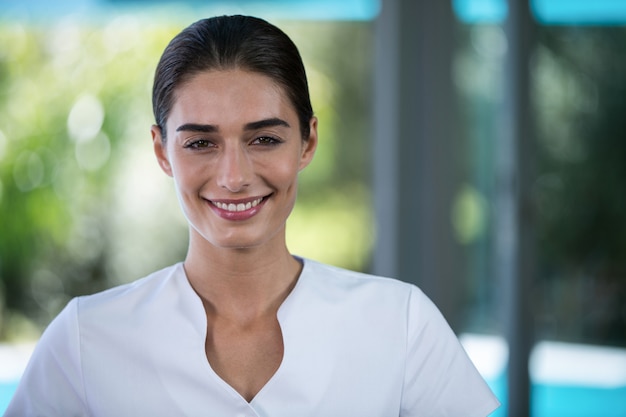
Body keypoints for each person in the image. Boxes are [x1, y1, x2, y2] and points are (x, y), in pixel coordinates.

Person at [5, 15, 500, 417]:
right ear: (161, 152)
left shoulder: (401, 325)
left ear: (307, 141)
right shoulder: (86, 340)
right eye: (200, 142)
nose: (234, 176)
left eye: (264, 138)